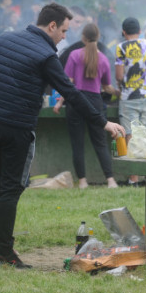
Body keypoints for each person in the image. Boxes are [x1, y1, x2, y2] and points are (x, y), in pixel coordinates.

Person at [0, 3, 125, 268]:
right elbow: (72, 93)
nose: (65, 36)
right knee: (9, 188)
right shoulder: (45, 54)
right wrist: (102, 122)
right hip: (16, 127)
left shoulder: (4, 39)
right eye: (64, 30)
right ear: (51, 26)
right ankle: (4, 253)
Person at [55, 22, 119, 189]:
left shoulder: (75, 55)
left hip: (76, 102)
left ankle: (83, 181)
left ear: (83, 38)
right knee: (100, 143)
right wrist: (120, 93)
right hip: (95, 102)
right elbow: (107, 88)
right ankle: (111, 180)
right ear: (98, 38)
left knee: (78, 144)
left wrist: (60, 101)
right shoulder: (103, 59)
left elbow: (67, 83)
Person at [115, 17, 146, 186]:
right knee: (145, 134)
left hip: (129, 98)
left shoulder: (121, 47)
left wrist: (121, 85)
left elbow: (118, 75)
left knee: (131, 136)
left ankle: (133, 179)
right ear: (139, 31)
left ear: (124, 32)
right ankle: (145, 175)